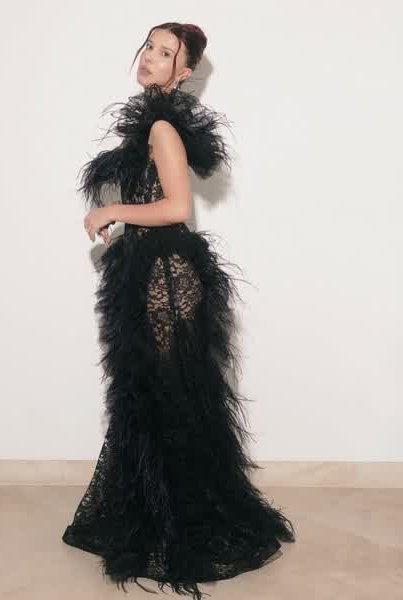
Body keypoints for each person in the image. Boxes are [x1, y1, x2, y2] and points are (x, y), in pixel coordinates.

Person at [62, 22, 296, 600]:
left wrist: (113, 211)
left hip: (166, 278)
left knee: (170, 401)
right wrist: (124, 223)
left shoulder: (163, 128)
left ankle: (181, 529)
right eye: (149, 46)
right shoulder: (151, 122)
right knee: (153, 397)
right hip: (151, 272)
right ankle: (153, 514)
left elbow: (175, 207)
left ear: (183, 72)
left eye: (165, 53)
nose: (150, 57)